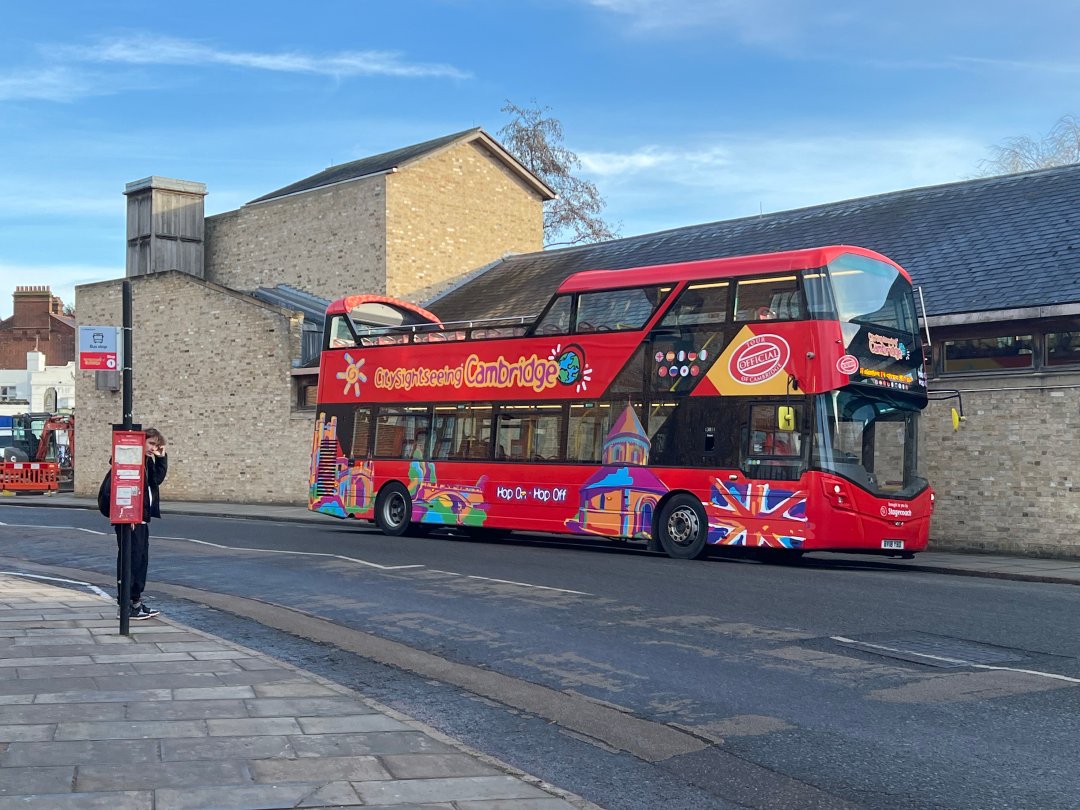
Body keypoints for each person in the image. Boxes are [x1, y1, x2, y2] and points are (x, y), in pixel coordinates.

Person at [108, 428, 168, 620]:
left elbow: (156, 480)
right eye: (151, 444)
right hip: (130, 519)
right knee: (130, 561)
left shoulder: (146, 462)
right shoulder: (131, 461)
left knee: (140, 561)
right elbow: (124, 485)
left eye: (156, 446)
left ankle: (136, 602)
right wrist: (128, 516)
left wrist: (162, 458)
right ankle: (126, 606)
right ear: (141, 441)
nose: (153, 448)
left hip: (141, 518)